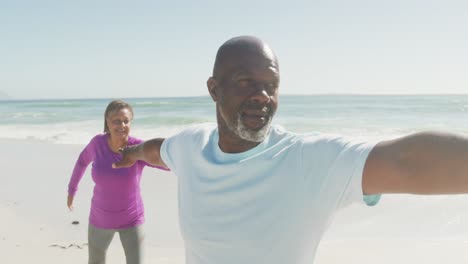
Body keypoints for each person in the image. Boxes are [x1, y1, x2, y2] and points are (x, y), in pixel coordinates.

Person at [113, 36, 468, 264]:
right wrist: (131, 153)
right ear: (213, 89)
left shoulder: (310, 161)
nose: (261, 95)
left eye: (271, 85)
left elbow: (405, 161)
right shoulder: (192, 145)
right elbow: (158, 151)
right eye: (245, 82)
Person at [67, 100, 169, 264]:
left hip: (132, 219)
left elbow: (166, 163)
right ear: (107, 121)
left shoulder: (138, 148)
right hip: (100, 219)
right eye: (116, 121)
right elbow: (82, 161)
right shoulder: (97, 144)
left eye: (126, 121)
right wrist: (72, 190)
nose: (121, 125)